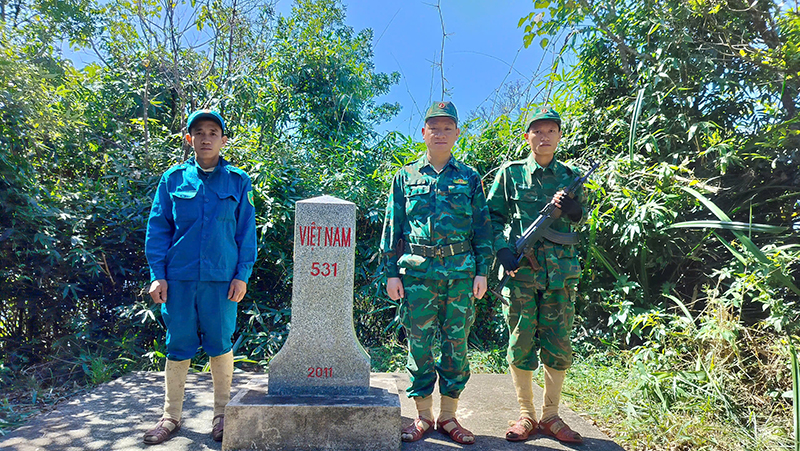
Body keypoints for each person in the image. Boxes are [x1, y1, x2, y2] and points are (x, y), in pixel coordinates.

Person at [380, 101, 493, 445]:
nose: (441, 133)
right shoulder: (405, 177)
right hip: (416, 276)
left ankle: (448, 417)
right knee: (419, 347)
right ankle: (423, 417)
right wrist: (391, 273)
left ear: (457, 134)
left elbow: (482, 229)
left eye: (448, 128)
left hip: (460, 274)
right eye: (435, 127)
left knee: (456, 347)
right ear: (424, 132)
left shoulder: (469, 177)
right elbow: (392, 228)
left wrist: (482, 272)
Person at [142, 109, 257, 445]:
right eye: (199, 132)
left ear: (223, 140)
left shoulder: (238, 181)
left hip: (222, 280)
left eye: (213, 132)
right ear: (189, 139)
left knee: (220, 343)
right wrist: (157, 275)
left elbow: (246, 233)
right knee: (177, 344)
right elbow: (159, 229)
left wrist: (242, 275)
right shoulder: (173, 180)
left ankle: (221, 416)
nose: (206, 138)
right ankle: (170, 416)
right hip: (178, 279)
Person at [485, 107, 586, 444]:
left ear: (559, 136)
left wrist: (573, 210)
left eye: (550, 132)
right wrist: (501, 249)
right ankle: (526, 415)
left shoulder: (571, 176)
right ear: (527, 136)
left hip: (561, 275)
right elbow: (491, 218)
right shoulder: (510, 174)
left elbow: (579, 221)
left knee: (559, 344)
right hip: (521, 275)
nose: (544, 138)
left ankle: (551, 416)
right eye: (537, 132)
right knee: (521, 343)